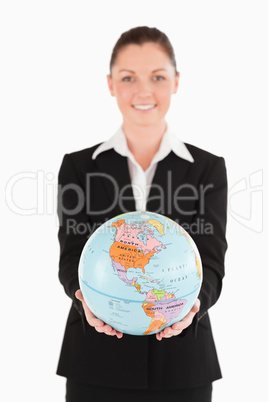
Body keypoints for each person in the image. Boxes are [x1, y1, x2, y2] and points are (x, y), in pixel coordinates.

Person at [56, 26, 228, 402]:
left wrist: (195, 304)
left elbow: (212, 261)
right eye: (128, 77)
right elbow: (71, 257)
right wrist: (82, 295)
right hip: (94, 361)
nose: (143, 90)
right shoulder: (79, 168)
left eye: (158, 77)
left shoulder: (207, 169)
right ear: (110, 83)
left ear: (176, 82)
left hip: (183, 362)